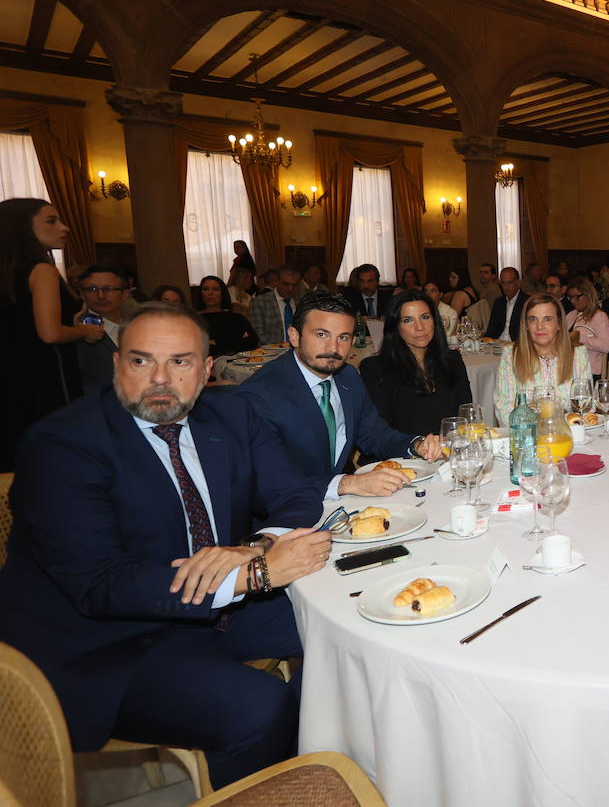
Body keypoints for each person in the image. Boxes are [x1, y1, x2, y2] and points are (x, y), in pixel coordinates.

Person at [0, 303, 331, 788]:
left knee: (344, 630)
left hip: (212, 605)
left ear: (205, 368)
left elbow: (295, 492)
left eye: (179, 361)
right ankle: (251, 789)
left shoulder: (232, 414)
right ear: (117, 365)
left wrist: (257, 546)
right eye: (141, 361)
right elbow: (100, 585)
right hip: (107, 638)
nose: (160, 378)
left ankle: (310, 767)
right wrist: (254, 574)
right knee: (260, 708)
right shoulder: (62, 445)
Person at [237, 291, 442, 500]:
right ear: (294, 336)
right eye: (321, 335)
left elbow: (373, 434)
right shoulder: (259, 395)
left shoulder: (347, 377)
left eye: (343, 337)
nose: (333, 348)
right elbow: (266, 479)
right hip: (286, 517)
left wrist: (416, 445)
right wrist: (346, 483)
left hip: (340, 506)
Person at [0, 199, 102, 470]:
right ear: (23, 228)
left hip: (9, 379)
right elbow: (49, 333)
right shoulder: (41, 269)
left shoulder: (8, 270)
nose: (65, 228)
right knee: (54, 459)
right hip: (43, 377)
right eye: (51, 221)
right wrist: (85, 331)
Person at [360, 289, 473, 440]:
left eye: (425, 317)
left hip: (450, 454)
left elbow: (465, 416)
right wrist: (417, 446)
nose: (419, 327)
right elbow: (379, 433)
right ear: (396, 327)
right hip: (404, 458)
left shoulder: (452, 360)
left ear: (435, 321)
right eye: (408, 320)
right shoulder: (376, 369)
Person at [493, 293, 592, 424]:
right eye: (533, 319)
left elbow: (587, 406)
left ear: (559, 324)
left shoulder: (578, 354)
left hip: (570, 434)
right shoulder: (511, 354)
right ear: (526, 325)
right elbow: (504, 409)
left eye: (547, 319)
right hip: (528, 437)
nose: (539, 326)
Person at [74, 265, 131, 394]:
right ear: (82, 295)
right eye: (92, 289)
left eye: (108, 289)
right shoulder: (77, 331)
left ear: (125, 294)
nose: (100, 295)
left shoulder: (135, 328)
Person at [194, 275, 258, 355]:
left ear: (222, 294)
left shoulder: (236, 318)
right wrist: (232, 343)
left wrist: (217, 342)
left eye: (215, 289)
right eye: (206, 289)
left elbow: (252, 341)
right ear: (201, 293)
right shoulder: (193, 320)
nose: (210, 293)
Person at [565, 276, 609, 379]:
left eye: (577, 297)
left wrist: (578, 338)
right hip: (570, 369)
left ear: (588, 295)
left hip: (590, 371)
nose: (573, 301)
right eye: (570, 297)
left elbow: (605, 346)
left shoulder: (599, 316)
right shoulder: (571, 315)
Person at [248, 265, 302, 345]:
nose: (290, 289)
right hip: (271, 352)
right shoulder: (260, 302)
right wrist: (281, 348)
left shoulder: (300, 301)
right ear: (276, 282)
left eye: (294, 285)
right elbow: (258, 333)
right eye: (286, 284)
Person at [484, 266, 529, 341]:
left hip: (516, 344)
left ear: (518, 282)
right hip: (497, 344)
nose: (506, 287)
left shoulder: (527, 302)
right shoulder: (499, 302)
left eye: (510, 283)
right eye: (503, 283)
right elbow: (491, 329)